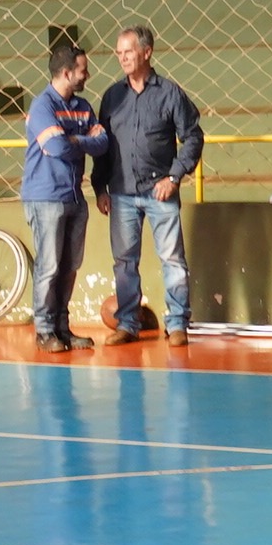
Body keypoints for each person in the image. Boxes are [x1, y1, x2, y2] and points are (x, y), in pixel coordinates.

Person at [94, 24, 202, 345]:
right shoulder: (112, 97)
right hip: (121, 193)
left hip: (160, 192)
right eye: (119, 53)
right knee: (124, 262)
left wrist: (174, 176)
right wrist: (100, 188)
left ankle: (177, 323)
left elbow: (193, 137)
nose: (123, 58)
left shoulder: (170, 93)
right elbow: (103, 146)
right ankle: (128, 324)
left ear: (147, 52)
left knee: (172, 260)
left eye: (128, 51)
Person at [19, 45, 108, 352]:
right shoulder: (42, 106)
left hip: (74, 197)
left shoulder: (83, 106)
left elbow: (103, 143)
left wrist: (73, 139)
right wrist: (83, 141)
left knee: (69, 266)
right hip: (45, 197)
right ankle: (44, 331)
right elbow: (56, 148)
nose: (87, 74)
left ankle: (61, 328)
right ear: (67, 73)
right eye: (83, 70)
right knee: (49, 266)